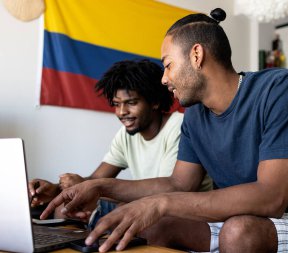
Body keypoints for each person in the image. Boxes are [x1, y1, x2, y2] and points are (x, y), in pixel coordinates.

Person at [41, 8, 288, 253]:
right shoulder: (195, 114)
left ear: (196, 55)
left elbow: (271, 198)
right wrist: (99, 187)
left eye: (167, 64)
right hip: (243, 220)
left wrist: (162, 204)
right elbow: (177, 183)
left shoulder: (282, 88)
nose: (163, 78)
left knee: (238, 232)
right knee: (159, 225)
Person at [30, 59, 212, 222]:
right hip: (150, 208)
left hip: (180, 215)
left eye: (131, 103)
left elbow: (170, 192)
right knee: (63, 208)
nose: (121, 112)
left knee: (102, 209)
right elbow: (95, 179)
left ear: (155, 102)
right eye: (116, 104)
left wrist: (93, 193)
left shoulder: (179, 127)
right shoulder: (126, 135)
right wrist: (55, 190)